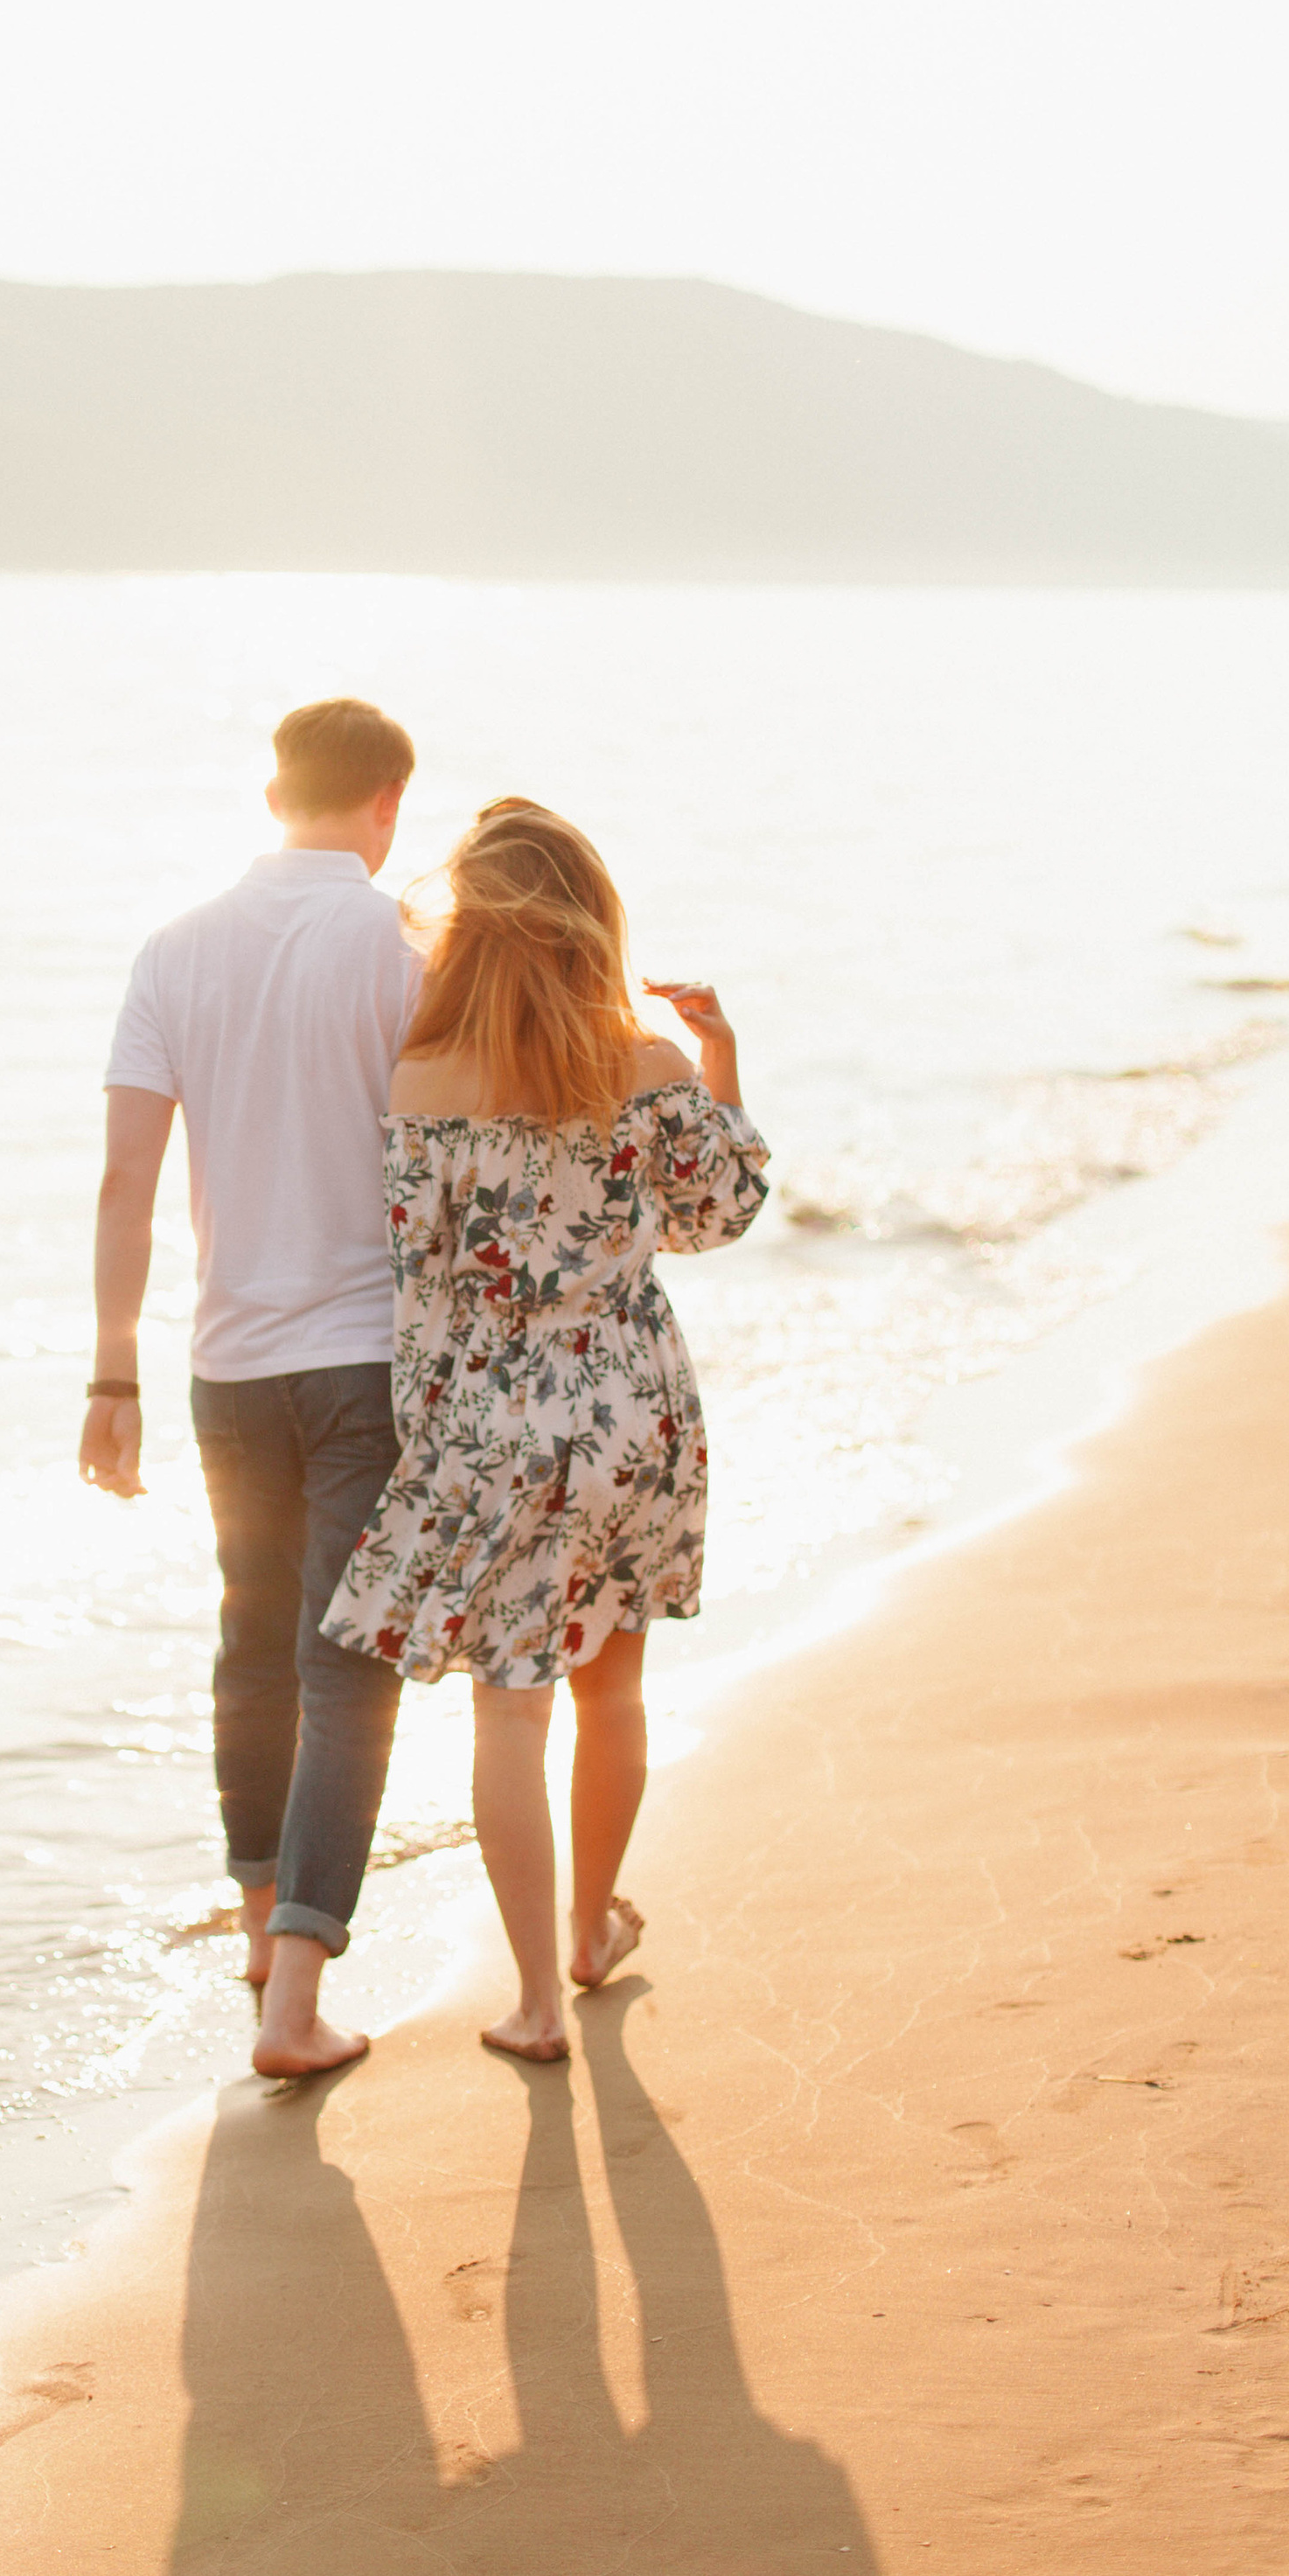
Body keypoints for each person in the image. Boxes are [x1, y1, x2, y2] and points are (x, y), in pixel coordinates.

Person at [321, 798, 770, 2061]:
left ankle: (532, 2003)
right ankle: (588, 1936)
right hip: (633, 1403)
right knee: (613, 1688)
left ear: (466, 934)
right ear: (589, 920)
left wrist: (435, 1442)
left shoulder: (424, 1076)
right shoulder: (646, 1066)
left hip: (496, 1417)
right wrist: (720, 1053)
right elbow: (718, 1215)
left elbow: (424, 1280)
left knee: (508, 1714)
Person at [80, 697, 424, 2079]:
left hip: (224, 1365)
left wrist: (114, 1367)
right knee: (349, 1672)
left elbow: (126, 1182)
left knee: (251, 1646)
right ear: (388, 805)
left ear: (272, 792)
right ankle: (296, 2003)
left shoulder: (173, 951)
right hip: (362, 1357)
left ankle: (251, 1925)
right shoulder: (402, 948)